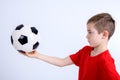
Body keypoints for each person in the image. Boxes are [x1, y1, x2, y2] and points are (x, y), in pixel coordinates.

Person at [22, 13, 120, 80]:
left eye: (90, 32)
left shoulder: (106, 62)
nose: (86, 36)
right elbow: (62, 62)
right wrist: (37, 55)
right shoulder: (85, 51)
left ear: (104, 35)